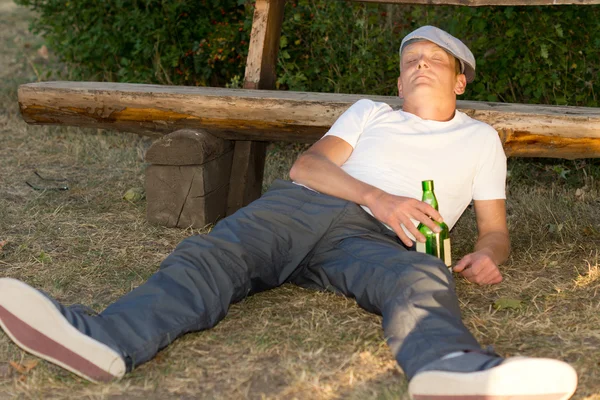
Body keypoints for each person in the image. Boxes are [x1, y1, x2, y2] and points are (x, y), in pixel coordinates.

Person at [0, 25, 578, 399]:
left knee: (420, 278)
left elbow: (496, 231)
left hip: (381, 244)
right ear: (398, 79)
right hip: (306, 206)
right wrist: (377, 195)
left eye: (433, 58)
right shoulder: (370, 114)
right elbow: (306, 168)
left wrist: (485, 252)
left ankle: (449, 367)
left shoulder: (479, 141)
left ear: (461, 77)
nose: (419, 66)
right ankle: (104, 339)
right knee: (214, 255)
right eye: (409, 61)